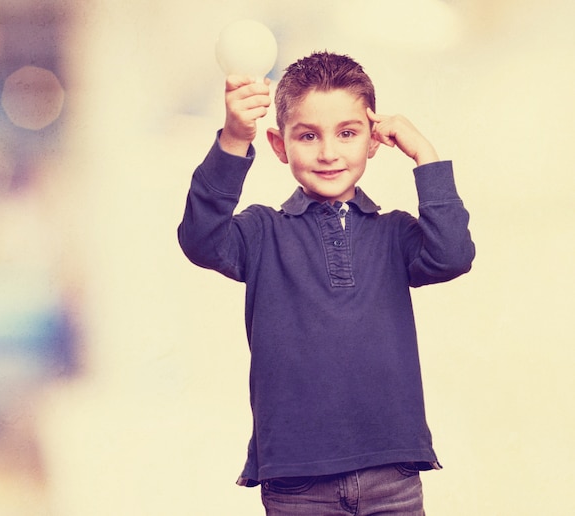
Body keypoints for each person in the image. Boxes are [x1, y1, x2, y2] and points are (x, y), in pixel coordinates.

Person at [178, 51, 475, 515]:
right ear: (279, 145)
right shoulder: (261, 232)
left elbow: (453, 255)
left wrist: (425, 154)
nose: (329, 152)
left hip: (393, 471)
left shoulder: (394, 232)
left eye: (348, 133)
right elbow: (200, 239)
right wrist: (235, 138)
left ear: (374, 141)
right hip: (297, 480)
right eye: (308, 135)